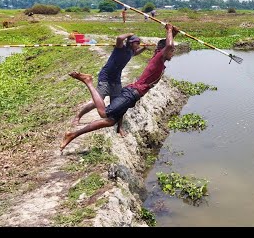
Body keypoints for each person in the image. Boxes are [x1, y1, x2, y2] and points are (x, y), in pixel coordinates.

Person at [60, 23, 179, 151]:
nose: (173, 53)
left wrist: (173, 33)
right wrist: (170, 30)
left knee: (110, 121)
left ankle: (72, 135)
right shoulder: (159, 58)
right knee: (103, 113)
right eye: (172, 51)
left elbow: (166, 44)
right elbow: (168, 45)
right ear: (164, 51)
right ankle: (88, 81)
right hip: (131, 93)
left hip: (133, 94)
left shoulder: (158, 56)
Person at [71, 32, 146, 137]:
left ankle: (119, 127)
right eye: (137, 43)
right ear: (130, 43)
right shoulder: (120, 48)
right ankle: (78, 116)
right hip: (106, 77)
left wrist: (144, 49)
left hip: (116, 79)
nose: (138, 45)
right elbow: (119, 38)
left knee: (119, 105)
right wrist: (129, 34)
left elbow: (136, 53)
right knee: (97, 102)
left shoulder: (131, 51)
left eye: (139, 43)